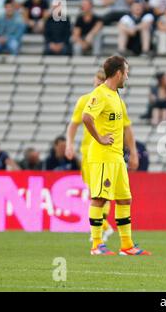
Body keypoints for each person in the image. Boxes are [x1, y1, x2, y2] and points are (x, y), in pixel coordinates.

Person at [82, 55, 151, 256]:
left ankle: (127, 245)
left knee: (124, 199)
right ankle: (96, 245)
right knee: (99, 199)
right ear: (119, 73)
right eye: (126, 72)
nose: (127, 77)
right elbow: (87, 118)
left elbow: (125, 127)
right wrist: (100, 138)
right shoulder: (100, 94)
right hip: (103, 156)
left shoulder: (116, 96)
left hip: (117, 157)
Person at [65, 68, 114, 242]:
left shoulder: (112, 101)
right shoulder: (85, 101)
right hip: (89, 153)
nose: (99, 83)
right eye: (97, 80)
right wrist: (69, 144)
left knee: (103, 191)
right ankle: (103, 226)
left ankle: (101, 227)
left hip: (107, 153)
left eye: (102, 80)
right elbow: (73, 125)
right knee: (96, 191)